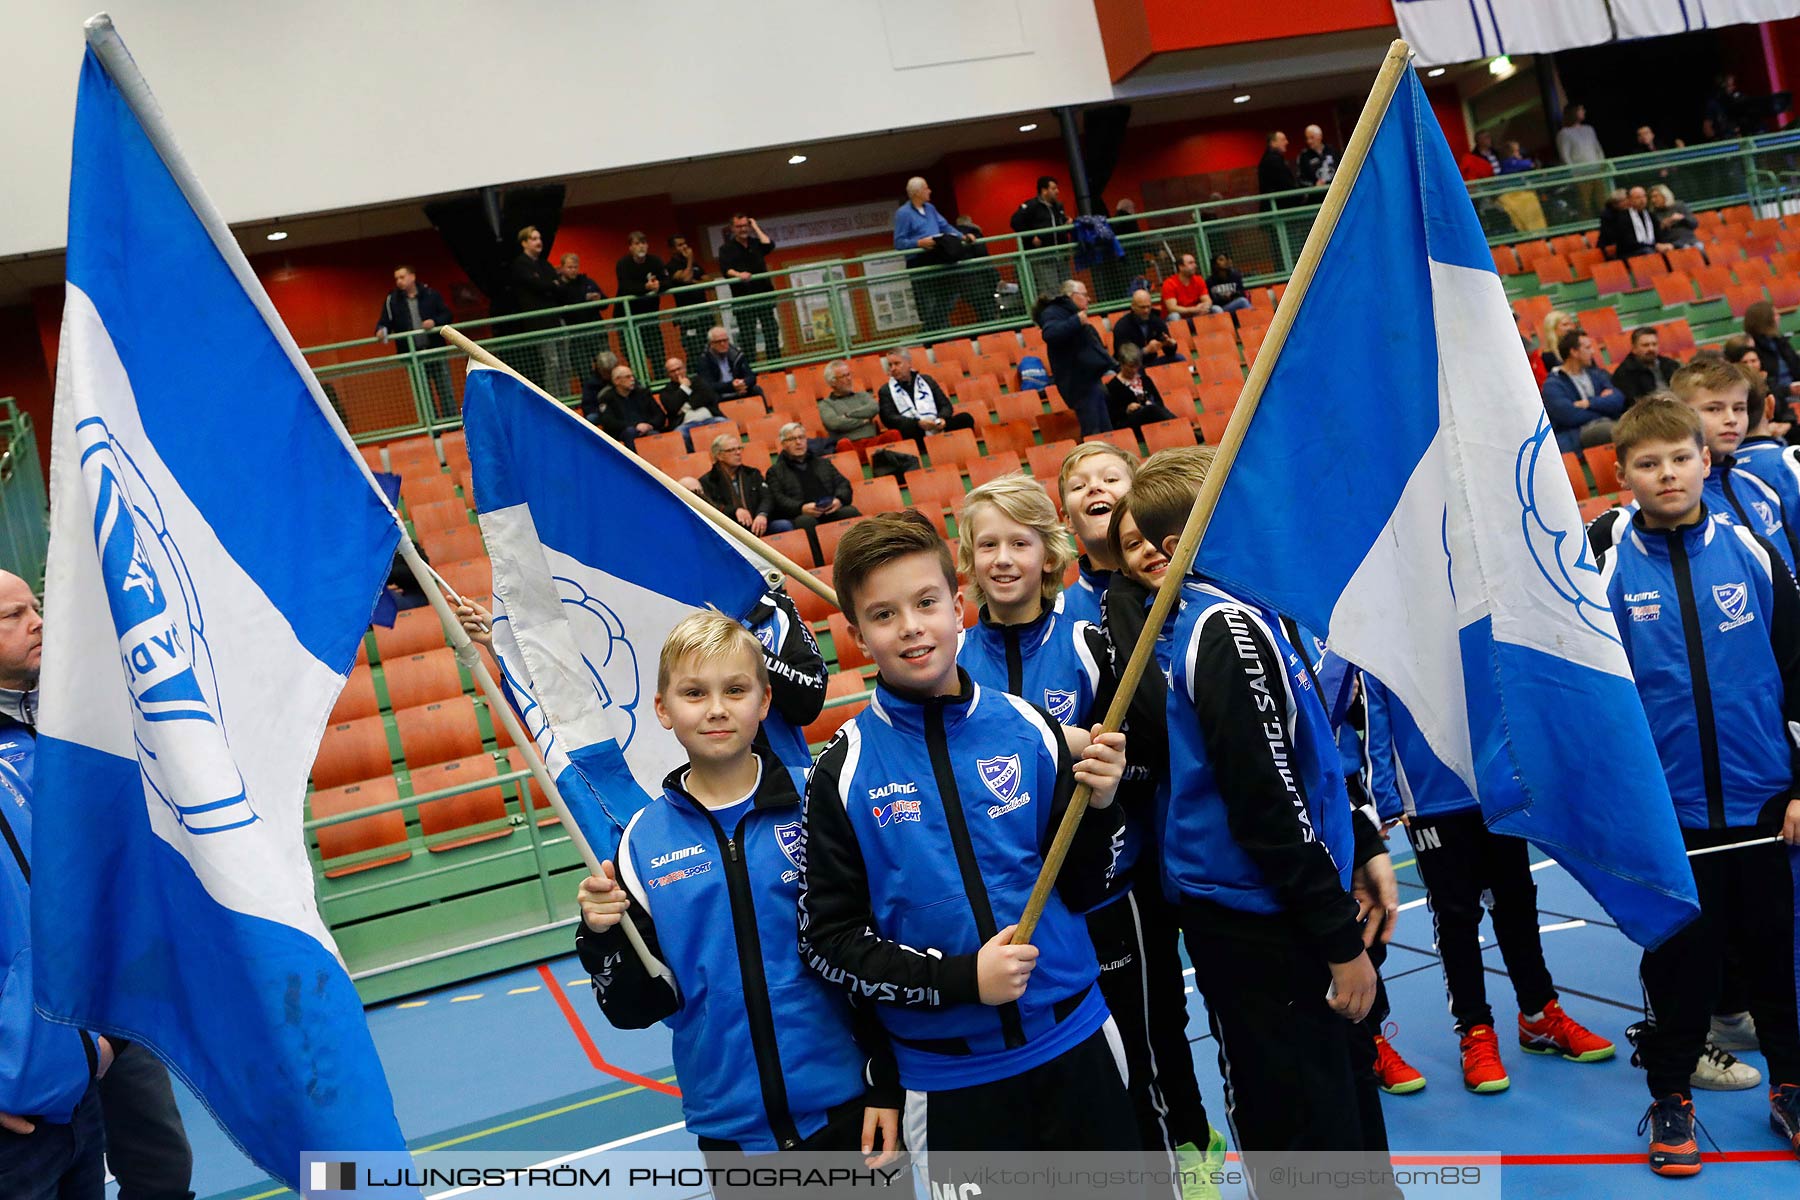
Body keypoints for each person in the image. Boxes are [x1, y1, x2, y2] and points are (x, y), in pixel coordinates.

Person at [796, 512, 1139, 1165]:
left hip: (1075, 1040)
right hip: (946, 1078)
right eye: (884, 615)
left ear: (958, 608)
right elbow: (829, 944)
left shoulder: (1030, 730)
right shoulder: (841, 773)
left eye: (926, 603)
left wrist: (1100, 807)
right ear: (857, 637)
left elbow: (1093, 886)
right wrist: (960, 981)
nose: (912, 628)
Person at [1130, 449, 1392, 1160]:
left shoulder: (1255, 613)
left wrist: (1359, 848)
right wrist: (1337, 940)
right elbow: (1267, 805)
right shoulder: (1226, 630)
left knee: (1344, 1109)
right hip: (1261, 925)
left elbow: (1312, 763)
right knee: (1305, 1134)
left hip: (1287, 907)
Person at [573, 612, 901, 1169]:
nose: (717, 708)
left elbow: (883, 944)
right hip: (733, 1136)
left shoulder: (820, 801)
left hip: (853, 1111)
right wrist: (601, 937)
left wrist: (887, 1083)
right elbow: (636, 1006)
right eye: (695, 692)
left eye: (736, 689)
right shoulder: (641, 844)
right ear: (663, 709)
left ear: (765, 701)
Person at [953, 475, 1209, 1165]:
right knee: (1062, 1079)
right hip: (1008, 906)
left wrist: (1110, 769)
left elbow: (1153, 750)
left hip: (1105, 894)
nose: (1003, 559)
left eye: (1019, 542)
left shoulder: (1092, 641)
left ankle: (1185, 1158)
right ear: (968, 560)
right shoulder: (954, 663)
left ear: (1050, 551)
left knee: (1146, 1048)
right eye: (987, 545)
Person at [1590, 397, 1800, 1176]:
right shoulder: (1606, 566)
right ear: (1623, 475)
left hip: (1763, 806)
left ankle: (1791, 1084)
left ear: (1704, 461)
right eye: (1648, 463)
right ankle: (1673, 1095)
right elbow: (1592, 698)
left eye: (1679, 458)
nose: (1667, 474)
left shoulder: (1750, 551)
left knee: (1776, 962)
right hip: (1665, 816)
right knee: (1681, 968)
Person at [0, 571, 194, 1200]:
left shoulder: (74, 716)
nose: (37, 622)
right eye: (12, 615)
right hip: (27, 1034)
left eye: (37, 607)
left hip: (113, 1001)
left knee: (162, 1167)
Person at [1362, 676, 1613, 1095]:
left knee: (1516, 898)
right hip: (1431, 795)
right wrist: (1385, 796)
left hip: (1496, 783)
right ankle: (1475, 1031)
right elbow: (1375, 696)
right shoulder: (1390, 613)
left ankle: (1538, 1015)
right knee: (1456, 912)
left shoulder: (1480, 608)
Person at [1669, 359, 1795, 569]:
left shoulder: (1759, 488)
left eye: (1739, 408)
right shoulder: (1673, 501)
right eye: (1714, 409)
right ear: (1680, 414)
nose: (1731, 419)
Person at [1056, 443, 1137, 626]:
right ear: (1068, 520)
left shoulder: (1183, 586)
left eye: (1110, 479)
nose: (1094, 487)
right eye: (1078, 487)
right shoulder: (1059, 617)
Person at [765, 423, 859, 561]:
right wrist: (801, 508)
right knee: (806, 522)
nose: (798, 442)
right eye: (792, 439)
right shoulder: (775, 471)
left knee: (850, 511)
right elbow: (778, 499)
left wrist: (838, 500)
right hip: (801, 514)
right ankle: (819, 562)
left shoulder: (823, 463)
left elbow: (843, 484)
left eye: (801, 437)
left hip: (830, 509)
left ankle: (860, 556)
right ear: (783, 444)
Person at [373, 265, 455, 419]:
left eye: (402, 277)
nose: (399, 281)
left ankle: (452, 425)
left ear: (412, 277)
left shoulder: (431, 294)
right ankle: (434, 429)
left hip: (434, 350)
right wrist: (380, 330)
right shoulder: (392, 300)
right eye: (396, 278)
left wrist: (434, 322)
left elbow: (447, 315)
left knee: (445, 390)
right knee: (423, 395)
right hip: (412, 355)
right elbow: (385, 321)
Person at [1034, 280, 1114, 438]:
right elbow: (1050, 334)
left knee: (1106, 430)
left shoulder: (1073, 315)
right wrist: (1076, 321)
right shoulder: (1054, 312)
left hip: (1091, 378)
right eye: (1084, 295)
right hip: (1077, 382)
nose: (1088, 299)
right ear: (1072, 296)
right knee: (1093, 431)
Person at [893, 177, 967, 334]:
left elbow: (945, 226)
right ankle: (933, 339)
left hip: (937, 258)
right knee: (929, 305)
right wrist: (919, 243)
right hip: (919, 263)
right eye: (926, 188)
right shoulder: (903, 214)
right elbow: (899, 243)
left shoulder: (931, 209)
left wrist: (962, 236)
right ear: (917, 192)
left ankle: (927, 334)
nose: (929, 191)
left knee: (950, 295)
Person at [875, 348, 975, 457]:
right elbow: (889, 418)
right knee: (900, 433)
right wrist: (917, 423)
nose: (893, 368)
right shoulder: (885, 390)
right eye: (890, 365)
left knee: (965, 418)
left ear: (908, 363)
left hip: (936, 425)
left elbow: (946, 405)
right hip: (914, 431)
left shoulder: (927, 380)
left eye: (897, 364)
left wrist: (941, 420)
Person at [507, 225, 569, 393]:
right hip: (540, 322)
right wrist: (551, 284)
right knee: (552, 363)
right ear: (524, 243)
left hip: (555, 318)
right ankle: (554, 400)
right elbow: (540, 285)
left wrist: (551, 284)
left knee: (565, 363)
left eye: (539, 238)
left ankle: (566, 398)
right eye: (534, 239)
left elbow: (559, 285)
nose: (538, 242)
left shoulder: (544, 264)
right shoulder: (520, 265)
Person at [1542, 330, 1626, 451]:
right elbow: (1569, 416)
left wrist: (1589, 403)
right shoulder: (1553, 384)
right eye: (1587, 348)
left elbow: (1618, 399)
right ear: (1574, 352)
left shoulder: (1596, 374)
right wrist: (1604, 408)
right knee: (1617, 431)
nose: (1592, 351)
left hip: (1605, 422)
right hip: (1576, 434)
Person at [699, 434, 791, 536]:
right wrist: (735, 511)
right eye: (732, 450)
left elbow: (767, 497)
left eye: (739, 449)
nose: (738, 453)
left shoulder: (752, 473)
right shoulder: (708, 480)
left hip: (757, 522)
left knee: (783, 525)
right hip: (730, 529)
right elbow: (712, 506)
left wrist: (762, 514)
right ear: (719, 455)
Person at [718, 214, 780, 363]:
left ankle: (776, 367)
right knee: (747, 337)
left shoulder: (755, 243)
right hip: (743, 297)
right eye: (739, 226)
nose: (743, 229)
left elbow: (769, 245)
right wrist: (739, 275)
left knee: (771, 332)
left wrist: (756, 227)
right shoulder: (726, 248)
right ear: (732, 228)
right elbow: (726, 269)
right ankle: (752, 370)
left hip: (764, 294)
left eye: (746, 225)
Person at [818, 359, 901, 457]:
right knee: (843, 444)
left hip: (874, 442)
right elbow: (835, 424)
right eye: (843, 376)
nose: (849, 379)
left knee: (893, 434)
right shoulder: (826, 404)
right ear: (833, 382)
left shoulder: (863, 395)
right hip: (851, 446)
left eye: (849, 374)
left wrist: (848, 415)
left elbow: (874, 408)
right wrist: (863, 421)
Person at [615, 232, 669, 370]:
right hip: (627, 317)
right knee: (633, 355)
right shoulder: (623, 264)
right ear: (630, 247)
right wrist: (645, 287)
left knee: (657, 353)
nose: (641, 247)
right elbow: (625, 287)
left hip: (649, 316)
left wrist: (659, 286)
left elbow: (667, 281)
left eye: (643, 243)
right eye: (637, 244)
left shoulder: (655, 261)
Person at [1010, 176, 1070, 300]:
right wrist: (1031, 237)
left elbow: (1059, 223)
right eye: (1053, 188)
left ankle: (1067, 316)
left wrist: (1067, 224)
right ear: (1044, 190)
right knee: (1050, 290)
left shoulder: (1058, 207)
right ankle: (1055, 317)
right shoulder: (1031, 206)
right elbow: (1015, 222)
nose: (1057, 191)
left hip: (1061, 255)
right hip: (1043, 256)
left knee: (1066, 288)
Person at [656, 357, 732, 451]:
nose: (677, 373)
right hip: (686, 425)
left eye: (679, 369)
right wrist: (684, 388)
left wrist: (685, 407)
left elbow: (709, 396)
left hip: (710, 419)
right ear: (668, 374)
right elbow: (673, 407)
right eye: (672, 371)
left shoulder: (698, 380)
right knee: (679, 436)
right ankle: (696, 457)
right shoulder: (665, 392)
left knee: (729, 425)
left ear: (685, 368)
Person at [663, 234, 713, 367]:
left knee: (710, 347)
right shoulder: (671, 266)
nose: (684, 247)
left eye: (685, 243)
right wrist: (690, 260)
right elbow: (685, 278)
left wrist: (694, 281)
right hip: (687, 315)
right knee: (694, 350)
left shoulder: (696, 265)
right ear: (672, 249)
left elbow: (710, 282)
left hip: (704, 313)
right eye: (680, 245)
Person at [588, 363, 665, 448]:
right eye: (628, 377)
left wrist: (650, 425)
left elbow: (660, 415)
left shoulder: (643, 393)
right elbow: (608, 422)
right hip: (622, 433)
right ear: (617, 381)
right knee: (630, 432)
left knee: (654, 434)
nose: (632, 379)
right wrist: (635, 426)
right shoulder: (607, 398)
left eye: (632, 376)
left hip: (646, 429)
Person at [1105, 345, 1177, 432]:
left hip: (1152, 416)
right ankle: (1179, 424)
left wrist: (1150, 402)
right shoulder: (1113, 386)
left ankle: (1177, 424)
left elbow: (1159, 402)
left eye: (1136, 366)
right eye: (1130, 366)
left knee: (1153, 409)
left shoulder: (1145, 379)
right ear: (1122, 364)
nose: (1134, 370)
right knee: (1152, 409)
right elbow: (1111, 415)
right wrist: (1127, 410)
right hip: (1128, 423)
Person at [1745, 301, 1800, 409]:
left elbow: (1797, 365)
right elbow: (1762, 384)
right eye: (1775, 315)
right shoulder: (1752, 349)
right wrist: (1788, 390)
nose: (1779, 317)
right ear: (1765, 320)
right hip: (1777, 398)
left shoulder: (1780, 342)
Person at [1111, 289, 1183, 367]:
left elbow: (1169, 353)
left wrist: (1170, 345)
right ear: (1133, 307)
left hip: (1152, 362)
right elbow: (1124, 358)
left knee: (1179, 358)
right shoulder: (1122, 326)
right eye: (1142, 307)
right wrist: (1146, 350)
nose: (1146, 311)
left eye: (1148, 307)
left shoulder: (1156, 320)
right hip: (1131, 367)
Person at [1612, 326, 1682, 404]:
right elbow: (1633, 403)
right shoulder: (1624, 373)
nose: (1651, 348)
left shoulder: (1671, 364)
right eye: (1645, 345)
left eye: (1654, 344)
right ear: (1634, 349)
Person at [698, 325, 763, 401]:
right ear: (711, 344)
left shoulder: (737, 355)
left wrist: (743, 383)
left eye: (725, 340)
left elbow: (751, 376)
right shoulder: (704, 359)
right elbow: (708, 385)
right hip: (720, 394)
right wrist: (732, 386)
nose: (722, 344)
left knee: (757, 390)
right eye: (718, 342)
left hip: (740, 390)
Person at [1158, 253, 1213, 327]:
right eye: (1190, 263)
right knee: (1174, 316)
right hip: (1178, 319)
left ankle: (1220, 334)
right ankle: (1179, 338)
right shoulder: (1169, 283)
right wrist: (1194, 309)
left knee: (1216, 309)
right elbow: (1172, 308)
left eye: (1194, 262)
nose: (1195, 266)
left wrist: (1205, 306)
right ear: (1181, 267)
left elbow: (1207, 300)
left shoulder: (1199, 279)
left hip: (1196, 315)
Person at [1257, 130, 1298, 209]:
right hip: (1278, 207)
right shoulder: (1273, 161)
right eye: (1283, 140)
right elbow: (1285, 183)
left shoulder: (1270, 159)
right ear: (1273, 143)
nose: (1287, 142)